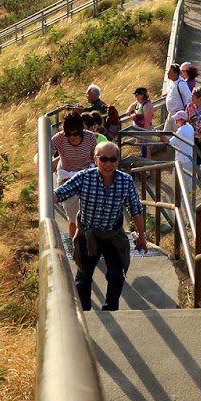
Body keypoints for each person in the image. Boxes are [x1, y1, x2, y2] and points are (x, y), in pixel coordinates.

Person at [54, 140, 147, 312]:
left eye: (112, 159)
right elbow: (61, 193)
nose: (108, 164)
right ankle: (85, 312)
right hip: (88, 235)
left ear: (118, 161)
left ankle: (110, 309)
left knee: (116, 276)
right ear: (95, 160)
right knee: (83, 278)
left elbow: (136, 209)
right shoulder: (84, 177)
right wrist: (46, 199)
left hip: (112, 235)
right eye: (103, 159)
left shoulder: (125, 181)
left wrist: (141, 236)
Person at [50, 112, 98, 236]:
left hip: (86, 176)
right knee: (72, 216)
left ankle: (90, 242)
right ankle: (75, 243)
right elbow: (44, 152)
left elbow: (96, 157)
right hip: (67, 178)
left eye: (75, 133)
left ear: (81, 130)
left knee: (90, 215)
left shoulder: (90, 137)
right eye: (68, 134)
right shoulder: (59, 138)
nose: (72, 137)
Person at [129, 86, 155, 156]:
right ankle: (145, 161)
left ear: (142, 95)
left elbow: (147, 123)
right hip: (138, 129)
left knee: (145, 149)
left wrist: (144, 136)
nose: (135, 96)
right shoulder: (138, 103)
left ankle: (148, 162)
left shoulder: (147, 106)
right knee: (141, 148)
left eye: (137, 95)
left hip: (144, 130)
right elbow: (132, 106)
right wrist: (129, 111)